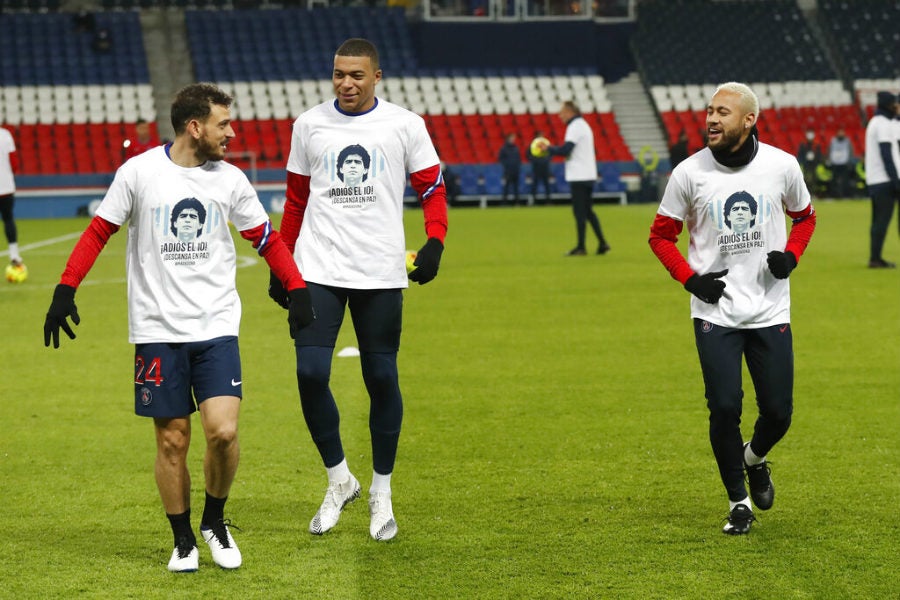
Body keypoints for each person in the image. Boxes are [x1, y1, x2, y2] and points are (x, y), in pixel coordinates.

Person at [42, 83, 315, 572]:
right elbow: (98, 231)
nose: (231, 133)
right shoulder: (139, 173)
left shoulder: (230, 180)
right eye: (223, 124)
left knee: (224, 433)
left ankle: (215, 520)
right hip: (156, 329)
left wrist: (295, 288)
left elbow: (266, 238)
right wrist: (66, 289)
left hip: (215, 325)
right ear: (195, 127)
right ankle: (184, 539)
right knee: (173, 440)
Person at [269, 38, 448, 542]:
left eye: (356, 75)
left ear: (377, 76)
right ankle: (339, 479)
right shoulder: (308, 125)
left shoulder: (405, 125)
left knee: (381, 377)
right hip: (318, 268)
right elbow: (295, 202)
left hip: (379, 271)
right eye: (339, 75)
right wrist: (281, 264)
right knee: (309, 372)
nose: (347, 83)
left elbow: (432, 187)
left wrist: (435, 241)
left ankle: (381, 491)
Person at [648, 82, 816, 536]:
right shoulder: (688, 173)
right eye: (709, 111)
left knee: (779, 413)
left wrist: (792, 255)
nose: (711, 119)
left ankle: (754, 458)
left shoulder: (782, 166)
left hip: (769, 309)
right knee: (724, 407)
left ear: (748, 120)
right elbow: (660, 236)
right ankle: (738, 502)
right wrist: (691, 279)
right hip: (714, 314)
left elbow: (805, 217)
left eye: (723, 112)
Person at [541, 100, 609, 255]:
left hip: (579, 175)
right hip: (588, 174)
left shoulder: (574, 126)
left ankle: (581, 247)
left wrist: (548, 149)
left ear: (570, 112)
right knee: (588, 211)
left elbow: (566, 149)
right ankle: (602, 243)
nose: (560, 115)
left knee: (580, 212)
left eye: (562, 112)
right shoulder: (583, 125)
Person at [864, 91, 899, 269]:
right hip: (884, 180)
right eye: (894, 103)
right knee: (882, 221)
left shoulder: (877, 122)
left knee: (878, 221)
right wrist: (896, 180)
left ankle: (875, 257)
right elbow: (887, 155)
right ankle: (875, 259)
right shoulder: (883, 124)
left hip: (877, 180)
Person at [0, 125, 25, 273]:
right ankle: (14, 254)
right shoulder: (5, 135)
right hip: (6, 187)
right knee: (8, 219)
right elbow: (14, 162)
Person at [827, 128, 854, 199]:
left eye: (842, 132)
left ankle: (845, 195)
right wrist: (829, 160)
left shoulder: (847, 141)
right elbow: (829, 150)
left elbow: (851, 151)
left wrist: (849, 161)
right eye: (839, 132)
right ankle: (834, 195)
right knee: (834, 181)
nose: (841, 134)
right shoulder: (833, 141)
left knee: (845, 180)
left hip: (844, 163)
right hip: (834, 163)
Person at [527, 130, 552, 204]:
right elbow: (528, 155)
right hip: (536, 167)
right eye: (540, 136)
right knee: (534, 185)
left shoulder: (546, 145)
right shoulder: (533, 146)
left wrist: (546, 160)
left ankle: (548, 201)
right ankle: (532, 201)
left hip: (545, 167)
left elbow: (550, 154)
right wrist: (536, 160)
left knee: (546, 185)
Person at [796, 128, 822, 196]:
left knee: (814, 179)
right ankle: (805, 194)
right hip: (806, 165)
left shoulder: (816, 145)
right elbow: (800, 155)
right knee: (805, 179)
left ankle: (813, 193)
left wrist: (817, 162)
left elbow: (819, 155)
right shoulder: (803, 144)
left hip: (814, 165)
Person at [498, 132, 521, 205]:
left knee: (516, 187)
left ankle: (517, 202)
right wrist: (507, 166)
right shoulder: (504, 148)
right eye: (512, 138)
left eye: (514, 138)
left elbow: (518, 158)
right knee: (506, 187)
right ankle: (504, 202)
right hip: (508, 171)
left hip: (515, 170)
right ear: (508, 138)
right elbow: (501, 159)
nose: (513, 139)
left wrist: (517, 166)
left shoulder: (515, 148)